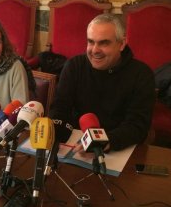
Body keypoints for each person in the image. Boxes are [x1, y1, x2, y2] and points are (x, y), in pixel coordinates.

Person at [49, 13, 155, 151]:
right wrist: (55, 137)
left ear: (122, 44)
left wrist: (105, 142)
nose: (95, 50)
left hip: (117, 148)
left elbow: (137, 125)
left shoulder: (142, 74)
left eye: (104, 43)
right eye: (91, 42)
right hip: (74, 145)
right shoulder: (74, 66)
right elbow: (59, 108)